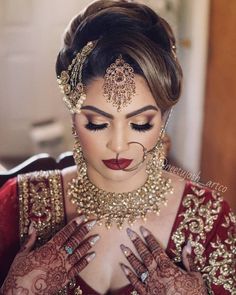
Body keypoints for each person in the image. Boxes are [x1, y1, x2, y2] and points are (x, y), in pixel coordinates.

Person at [0, 0, 235, 294]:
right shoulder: (18, 204)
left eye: (141, 124)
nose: (119, 144)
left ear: (164, 117)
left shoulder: (209, 219)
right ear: (72, 112)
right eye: (98, 123)